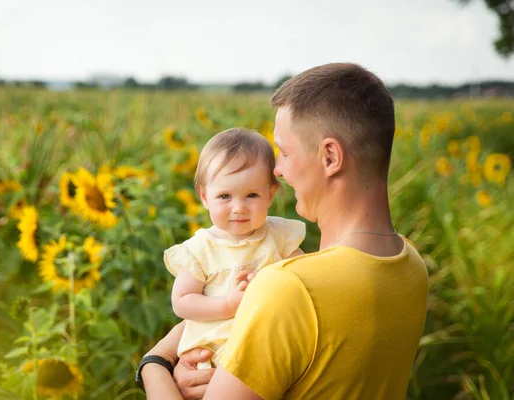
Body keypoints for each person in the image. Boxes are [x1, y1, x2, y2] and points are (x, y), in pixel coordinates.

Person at [138, 63, 429, 400]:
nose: (277, 169)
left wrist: (155, 364)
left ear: (331, 157)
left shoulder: (288, 288)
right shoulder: (411, 265)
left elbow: (291, 304)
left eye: (286, 152)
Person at [163, 127, 306, 370]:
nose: (238, 207)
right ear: (205, 197)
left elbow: (304, 273)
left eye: (251, 195)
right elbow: (182, 301)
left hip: (268, 344)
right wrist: (228, 304)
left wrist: (272, 277)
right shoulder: (201, 250)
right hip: (216, 350)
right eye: (225, 197)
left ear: (270, 194)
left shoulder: (279, 237)